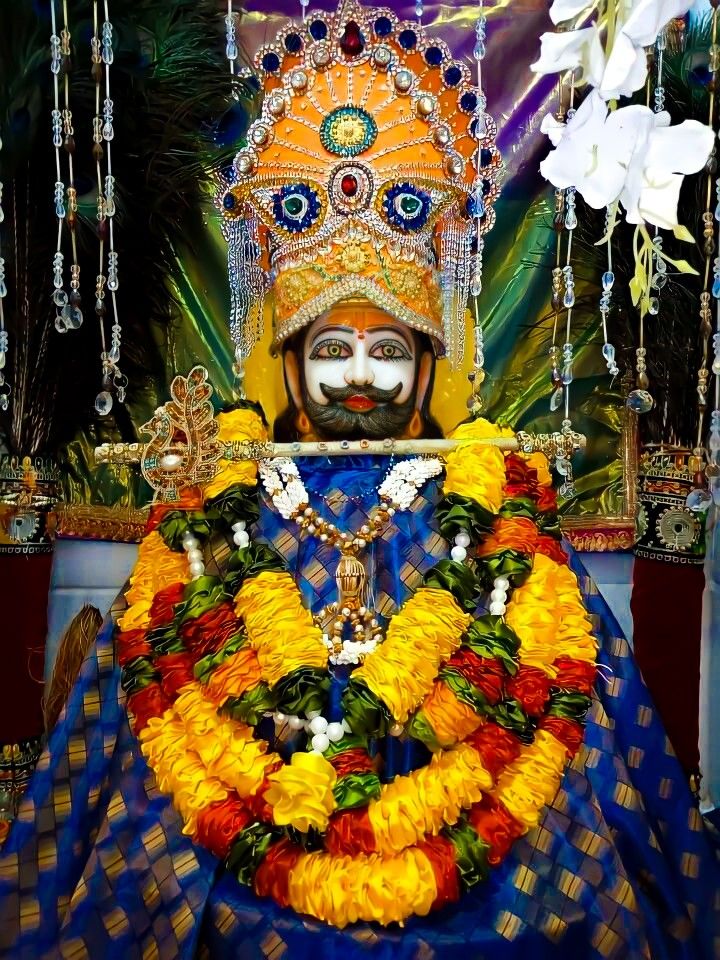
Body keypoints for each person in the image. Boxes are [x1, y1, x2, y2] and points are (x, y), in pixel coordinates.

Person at [1, 2, 718, 957]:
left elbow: (569, 696)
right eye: (332, 348)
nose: (359, 376)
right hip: (238, 845)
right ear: (290, 361)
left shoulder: (486, 502)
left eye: (388, 351)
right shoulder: (229, 499)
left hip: (485, 855)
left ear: (427, 365)